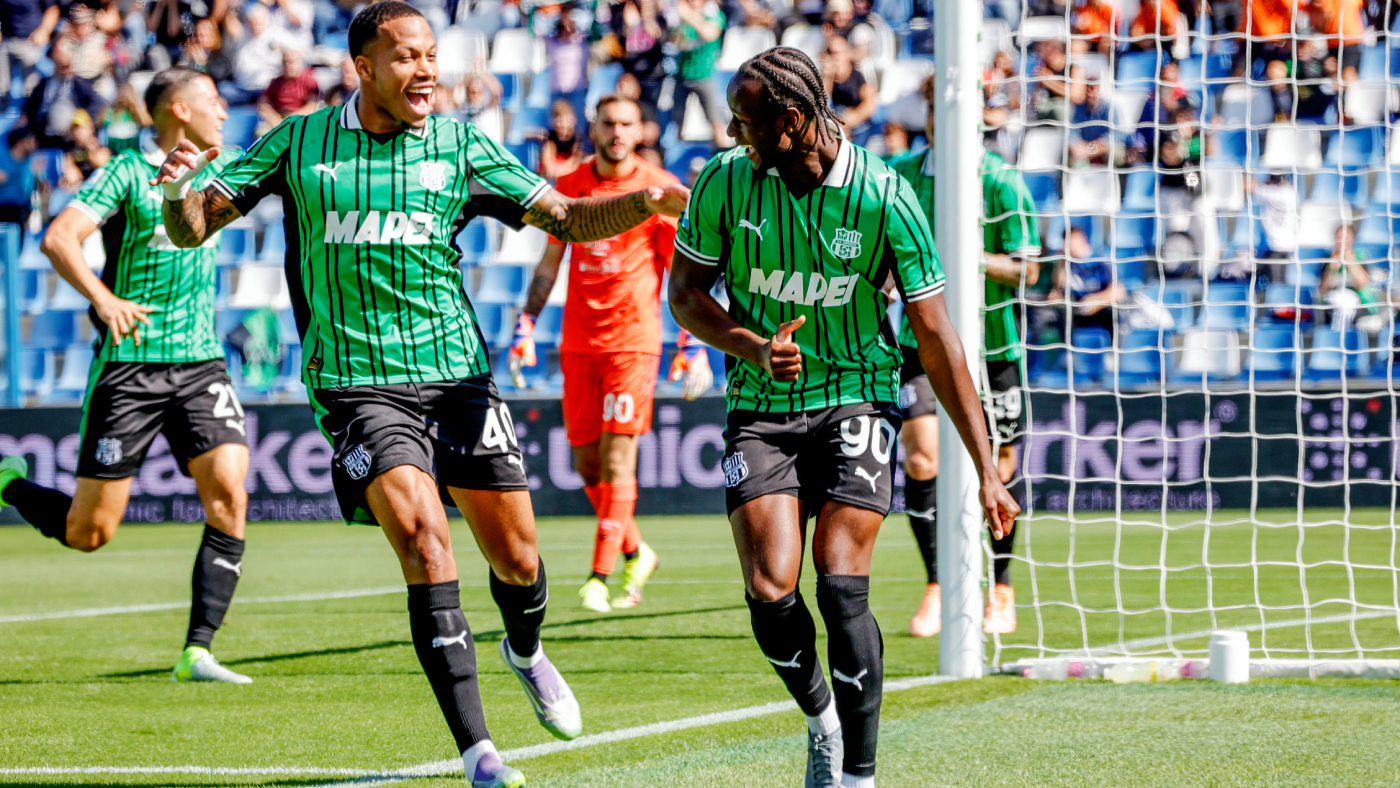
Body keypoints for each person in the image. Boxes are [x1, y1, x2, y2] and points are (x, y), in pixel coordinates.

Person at [154, 4, 689, 785]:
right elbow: (193, 227)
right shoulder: (298, 143)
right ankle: (479, 752)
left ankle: (526, 651)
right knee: (425, 541)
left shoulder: (462, 146)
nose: (427, 69)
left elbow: (569, 220)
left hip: (458, 378)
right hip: (357, 386)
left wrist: (647, 202)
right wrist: (178, 194)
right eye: (406, 56)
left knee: (519, 561)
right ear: (363, 67)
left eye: (432, 54)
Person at [669, 47, 1017, 788]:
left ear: (791, 122)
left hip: (856, 392)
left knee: (838, 578)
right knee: (771, 587)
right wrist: (753, 347)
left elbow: (937, 337)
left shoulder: (885, 196)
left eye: (744, 120)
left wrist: (987, 467)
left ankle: (858, 775)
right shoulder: (722, 182)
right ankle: (821, 717)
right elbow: (686, 295)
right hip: (760, 404)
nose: (731, 133)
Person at [0, 69, 252, 684]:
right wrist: (104, 299)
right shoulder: (126, 173)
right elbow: (60, 238)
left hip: (200, 362)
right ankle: (8, 483)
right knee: (90, 533)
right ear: (179, 108)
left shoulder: (223, 169)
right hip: (130, 366)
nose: (224, 110)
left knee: (229, 494)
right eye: (213, 100)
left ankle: (197, 652)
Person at [511, 94, 692, 612]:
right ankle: (637, 551)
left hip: (632, 343)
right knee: (587, 465)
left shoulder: (657, 191)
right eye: (609, 123)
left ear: (640, 131)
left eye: (626, 124)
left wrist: (690, 343)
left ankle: (600, 575)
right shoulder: (569, 186)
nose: (617, 132)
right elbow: (549, 263)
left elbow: (682, 276)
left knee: (617, 460)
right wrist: (526, 323)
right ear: (594, 128)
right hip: (578, 343)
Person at [890, 77, 1041, 638]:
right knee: (921, 459)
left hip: (993, 345)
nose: (939, 118)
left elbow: (1029, 270)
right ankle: (938, 585)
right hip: (921, 342)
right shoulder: (901, 177)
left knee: (1000, 466)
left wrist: (966, 255)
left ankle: (1000, 587)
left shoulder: (1001, 182)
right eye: (931, 107)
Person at [671, 0, 727, 144]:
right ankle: (676, 150)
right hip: (682, 75)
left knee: (714, 118)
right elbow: (676, 43)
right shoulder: (682, 20)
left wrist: (689, 16)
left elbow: (709, 34)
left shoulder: (715, 16)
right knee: (677, 120)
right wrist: (682, 22)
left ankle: (721, 147)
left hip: (705, 75)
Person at [820, 35, 877, 146]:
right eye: (830, 52)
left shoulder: (859, 75)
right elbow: (823, 103)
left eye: (837, 53)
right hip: (834, 125)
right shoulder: (825, 77)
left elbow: (870, 105)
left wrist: (852, 120)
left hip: (858, 126)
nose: (834, 57)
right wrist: (827, 75)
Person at [0, 0, 59, 102]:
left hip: (30, 42)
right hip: (6, 41)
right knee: (2, 88)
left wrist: (44, 30)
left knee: (30, 87)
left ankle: (29, 110)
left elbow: (52, 10)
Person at [257, 47, 322, 128]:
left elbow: (312, 106)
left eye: (291, 62)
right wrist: (274, 118)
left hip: (300, 119)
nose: (287, 65)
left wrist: (289, 119)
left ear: (299, 63)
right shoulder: (276, 82)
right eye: (285, 62)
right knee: (261, 132)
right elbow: (263, 103)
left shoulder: (309, 81)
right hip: (278, 118)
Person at [539, 98, 583, 179]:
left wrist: (561, 172)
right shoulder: (550, 138)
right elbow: (548, 165)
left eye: (562, 119)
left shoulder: (576, 138)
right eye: (556, 119)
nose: (558, 123)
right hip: (553, 173)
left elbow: (575, 161)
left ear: (572, 120)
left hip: (567, 174)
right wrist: (553, 171)